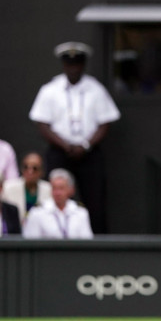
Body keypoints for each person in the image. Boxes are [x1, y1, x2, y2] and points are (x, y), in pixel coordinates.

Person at [29, 42, 120, 235]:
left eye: (77, 64)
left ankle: (98, 245)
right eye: (70, 65)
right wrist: (64, 145)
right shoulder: (50, 89)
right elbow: (42, 123)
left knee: (95, 201)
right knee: (55, 195)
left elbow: (105, 123)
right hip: (60, 150)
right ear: (63, 66)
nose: (73, 69)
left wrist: (86, 145)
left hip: (89, 152)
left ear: (83, 65)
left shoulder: (96, 89)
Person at [22, 168, 93, 239]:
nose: (57, 193)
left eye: (61, 188)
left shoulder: (80, 212)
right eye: (54, 188)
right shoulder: (37, 212)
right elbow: (30, 241)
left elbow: (87, 241)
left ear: (70, 190)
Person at [2, 151, 50, 220]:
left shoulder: (49, 189)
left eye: (35, 168)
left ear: (41, 172)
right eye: (26, 167)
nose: (30, 171)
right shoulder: (8, 188)